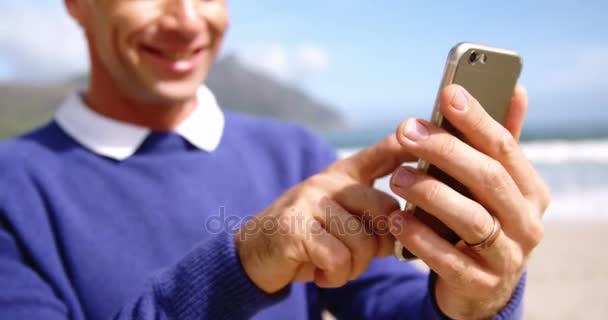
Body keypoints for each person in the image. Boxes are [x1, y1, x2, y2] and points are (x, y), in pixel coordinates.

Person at [0, 0, 550, 319]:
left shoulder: (297, 155)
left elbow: (398, 308)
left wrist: (476, 298)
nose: (188, 20)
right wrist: (242, 263)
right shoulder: (13, 190)